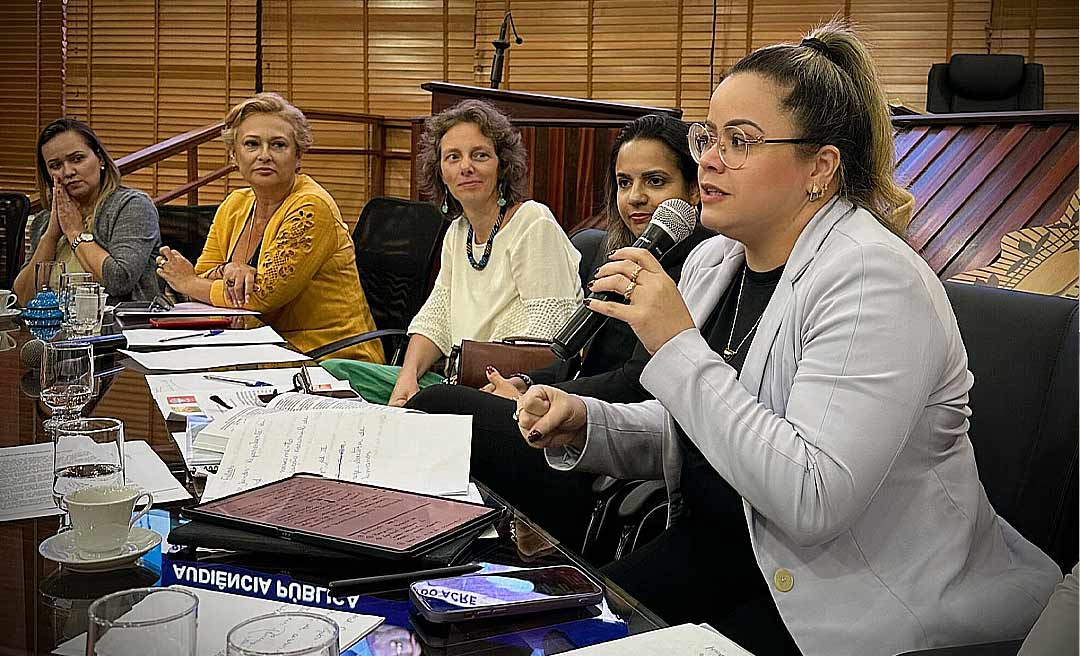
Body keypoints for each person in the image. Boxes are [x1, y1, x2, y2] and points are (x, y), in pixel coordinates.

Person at [512, 23, 1061, 656]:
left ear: (819, 169)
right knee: (550, 639)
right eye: (707, 137)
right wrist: (589, 423)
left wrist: (674, 343)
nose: (709, 159)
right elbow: (708, 430)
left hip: (849, 598)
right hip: (725, 548)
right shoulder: (715, 262)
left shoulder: (871, 279)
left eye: (739, 141)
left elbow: (809, 497)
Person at [406, 113, 711, 547]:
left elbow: (639, 380)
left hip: (598, 449)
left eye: (656, 182)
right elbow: (569, 351)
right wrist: (527, 381)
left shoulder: (695, 267)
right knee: (430, 407)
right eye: (625, 183)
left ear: (693, 189)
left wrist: (550, 400)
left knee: (438, 404)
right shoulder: (629, 254)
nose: (637, 197)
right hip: (564, 412)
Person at [323, 99, 582, 405]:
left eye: (480, 155)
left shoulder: (533, 222)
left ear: (502, 166)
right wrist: (407, 378)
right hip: (453, 380)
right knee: (333, 374)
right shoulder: (458, 232)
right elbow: (436, 318)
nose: (466, 167)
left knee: (432, 401)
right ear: (441, 172)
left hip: (509, 389)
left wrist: (495, 383)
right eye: (453, 157)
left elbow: (550, 333)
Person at [155, 92, 383, 363]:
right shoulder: (235, 204)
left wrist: (189, 282)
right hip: (258, 349)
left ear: (298, 156)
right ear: (233, 156)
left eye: (278, 145)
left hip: (330, 359)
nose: (265, 155)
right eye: (252, 144)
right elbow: (206, 271)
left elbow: (261, 296)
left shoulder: (311, 206)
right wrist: (229, 269)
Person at [15, 118, 161, 304]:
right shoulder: (44, 221)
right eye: (55, 165)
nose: (68, 172)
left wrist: (75, 232)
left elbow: (119, 281)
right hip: (53, 330)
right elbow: (21, 299)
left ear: (99, 158)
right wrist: (52, 235)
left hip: (118, 328)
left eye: (77, 159)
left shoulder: (131, 206)